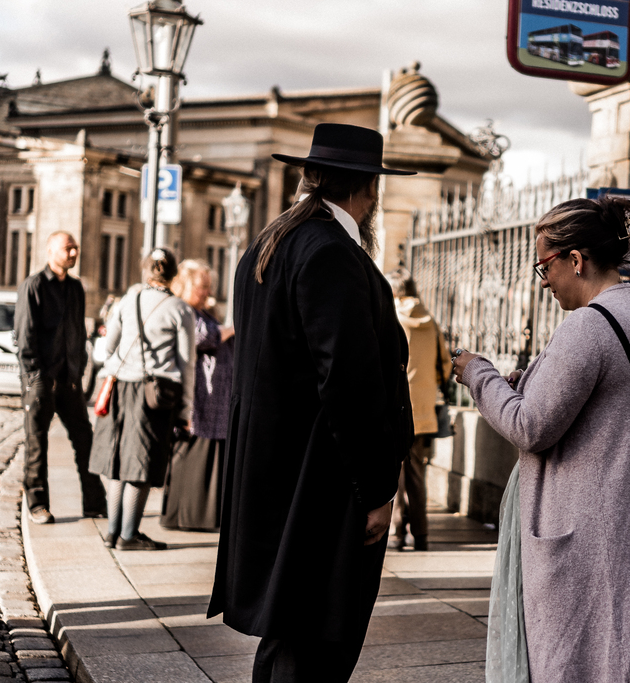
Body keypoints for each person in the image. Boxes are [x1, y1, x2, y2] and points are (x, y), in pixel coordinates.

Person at [452, 196, 630, 682]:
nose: (542, 280)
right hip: (629, 521)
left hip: (592, 536)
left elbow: (530, 427)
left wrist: (478, 374)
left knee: (592, 662)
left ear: (576, 259)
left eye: (544, 265)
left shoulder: (590, 326)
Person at [208, 123, 416, 683]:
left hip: (280, 471)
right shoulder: (329, 251)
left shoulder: (272, 242)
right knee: (320, 638)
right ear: (367, 188)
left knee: (290, 633)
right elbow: (347, 382)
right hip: (322, 482)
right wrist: (375, 488)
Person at [89, 248, 195, 551]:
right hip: (154, 395)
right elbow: (186, 365)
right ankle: (129, 535)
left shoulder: (128, 299)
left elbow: (108, 346)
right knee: (141, 464)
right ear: (173, 274)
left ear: (145, 270)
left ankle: (112, 532)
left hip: (118, 388)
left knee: (116, 460)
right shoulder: (179, 309)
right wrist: (186, 410)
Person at [15, 231, 107, 524]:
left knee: (85, 440)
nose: (73, 253)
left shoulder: (76, 288)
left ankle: (95, 503)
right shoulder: (34, 285)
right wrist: (35, 377)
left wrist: (78, 370)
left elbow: (78, 332)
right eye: (68, 248)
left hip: (69, 380)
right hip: (41, 380)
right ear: (51, 249)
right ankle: (37, 503)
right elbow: (24, 336)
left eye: (75, 248)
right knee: (36, 443)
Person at [160, 260, 233, 531]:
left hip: (215, 400)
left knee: (211, 457)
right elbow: (201, 338)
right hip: (198, 398)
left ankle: (203, 515)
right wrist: (229, 330)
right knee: (193, 453)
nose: (206, 292)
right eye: (202, 287)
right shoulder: (184, 311)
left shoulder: (204, 311)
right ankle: (185, 515)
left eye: (208, 287)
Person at [385, 268, 451, 552]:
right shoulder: (432, 322)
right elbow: (446, 366)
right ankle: (422, 535)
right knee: (417, 476)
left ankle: (398, 533)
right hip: (424, 413)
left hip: (396, 410)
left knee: (394, 477)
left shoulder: (393, 320)